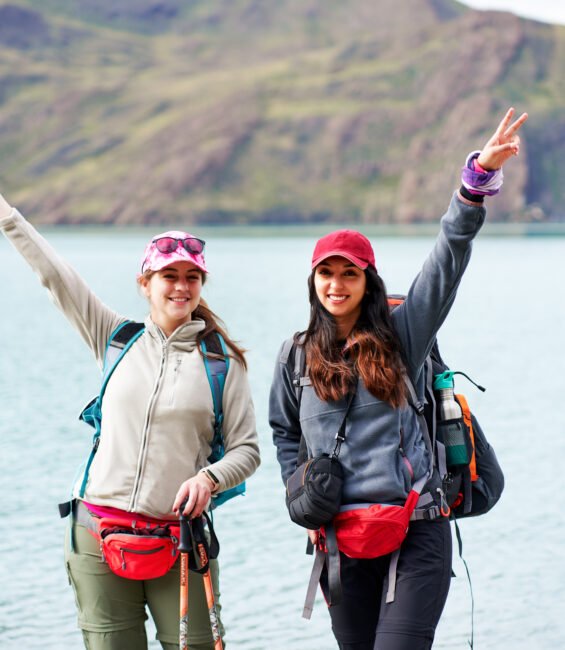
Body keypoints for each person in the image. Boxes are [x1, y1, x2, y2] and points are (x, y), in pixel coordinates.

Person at [269, 107, 527, 650]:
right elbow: (284, 431)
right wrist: (299, 488)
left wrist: (473, 184)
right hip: (340, 541)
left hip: (416, 533)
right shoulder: (295, 355)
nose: (336, 284)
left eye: (349, 273)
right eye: (326, 272)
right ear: (313, 280)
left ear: (368, 280)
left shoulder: (405, 336)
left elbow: (446, 261)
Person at [0, 193, 260, 650]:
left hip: (180, 542)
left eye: (192, 277)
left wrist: (209, 478)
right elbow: (55, 277)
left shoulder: (222, 363)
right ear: (145, 282)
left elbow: (247, 449)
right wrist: (8, 217)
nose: (181, 287)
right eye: (169, 276)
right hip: (97, 537)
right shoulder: (115, 338)